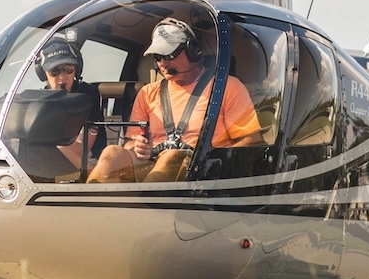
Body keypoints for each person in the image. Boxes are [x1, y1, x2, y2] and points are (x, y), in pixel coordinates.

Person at [87, 19, 262, 183]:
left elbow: (251, 140)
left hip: (201, 173)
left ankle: (145, 211)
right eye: (157, 57)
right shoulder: (147, 93)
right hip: (152, 165)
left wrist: (217, 160)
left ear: (193, 51)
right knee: (112, 153)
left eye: (168, 55)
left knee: (171, 156)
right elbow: (130, 143)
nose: (162, 63)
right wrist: (138, 147)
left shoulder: (227, 87)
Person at [34, 37, 101, 178]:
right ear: (43, 73)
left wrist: (49, 146)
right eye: (54, 71)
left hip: (85, 163)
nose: (62, 78)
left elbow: (84, 147)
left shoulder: (87, 95)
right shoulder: (39, 101)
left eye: (68, 69)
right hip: (47, 163)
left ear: (76, 70)